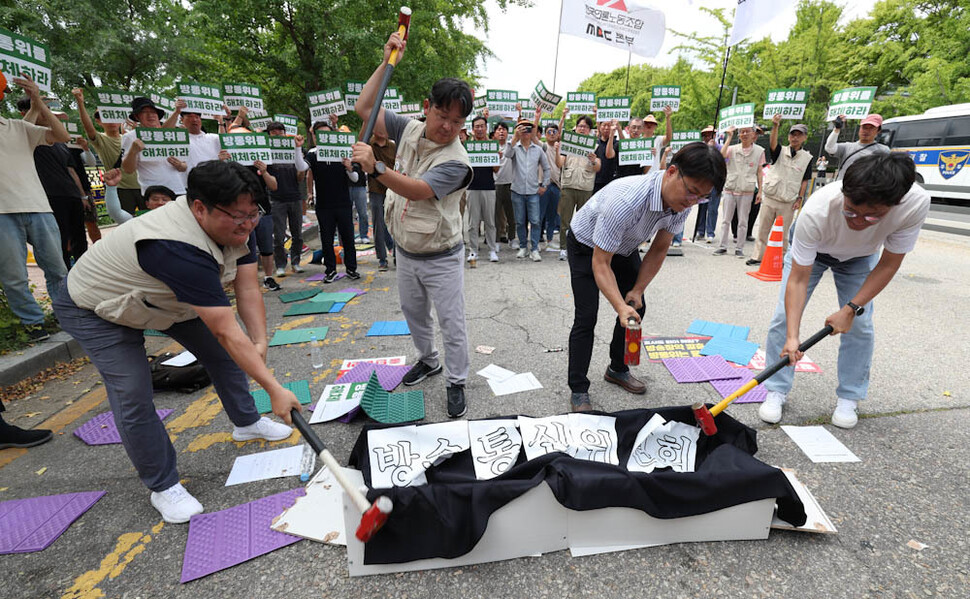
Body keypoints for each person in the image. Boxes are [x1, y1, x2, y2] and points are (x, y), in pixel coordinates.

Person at [53, 160, 302, 523]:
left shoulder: (234, 227)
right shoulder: (175, 247)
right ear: (199, 207)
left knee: (228, 355)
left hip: (161, 298)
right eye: (238, 215)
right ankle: (163, 484)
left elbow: (248, 288)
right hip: (95, 304)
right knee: (133, 393)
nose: (248, 224)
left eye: (254, 213)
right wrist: (273, 387)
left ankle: (246, 422)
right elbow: (224, 328)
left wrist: (259, 344)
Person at [351, 31, 474, 419]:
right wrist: (388, 59)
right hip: (405, 249)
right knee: (413, 313)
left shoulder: (458, 161)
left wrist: (377, 167)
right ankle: (429, 359)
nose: (448, 127)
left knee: (451, 321)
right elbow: (364, 107)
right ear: (427, 108)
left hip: (441, 255)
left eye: (457, 121)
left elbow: (419, 190)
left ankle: (457, 380)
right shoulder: (409, 128)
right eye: (443, 116)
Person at [758, 153, 929, 429]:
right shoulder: (818, 209)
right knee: (783, 319)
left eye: (872, 215)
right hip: (814, 254)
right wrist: (793, 337)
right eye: (850, 210)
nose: (858, 221)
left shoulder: (916, 203)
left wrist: (850, 309)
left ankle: (849, 397)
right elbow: (798, 279)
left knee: (859, 325)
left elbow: (888, 265)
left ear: (895, 203)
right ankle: (776, 389)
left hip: (861, 258)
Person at [565, 142, 726, 412]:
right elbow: (601, 263)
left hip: (625, 246)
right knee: (587, 315)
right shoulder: (626, 201)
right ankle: (578, 388)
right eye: (691, 192)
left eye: (701, 197)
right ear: (672, 171)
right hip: (586, 246)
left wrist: (637, 290)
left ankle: (617, 368)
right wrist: (618, 306)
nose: (692, 201)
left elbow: (659, 249)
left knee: (636, 306)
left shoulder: (682, 202)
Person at [0, 75, 70, 343]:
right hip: (2, 214)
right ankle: (33, 325)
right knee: (14, 276)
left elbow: (62, 135)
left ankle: (68, 316)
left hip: (39, 207)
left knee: (58, 270)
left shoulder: (17, 127)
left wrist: (37, 99)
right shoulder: (20, 125)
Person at [747, 115, 813, 266]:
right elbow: (772, 143)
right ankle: (757, 256)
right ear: (789, 136)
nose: (795, 138)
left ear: (804, 138)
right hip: (771, 196)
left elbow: (805, 180)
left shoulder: (807, 158)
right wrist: (775, 126)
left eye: (799, 135)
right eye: (792, 134)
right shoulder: (780, 151)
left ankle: (780, 258)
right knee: (763, 229)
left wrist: (800, 199)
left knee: (783, 234)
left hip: (788, 200)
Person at [306, 117, 361, 282]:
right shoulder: (313, 154)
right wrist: (296, 149)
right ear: (315, 137)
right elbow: (303, 168)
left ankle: (351, 268)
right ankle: (330, 270)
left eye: (327, 134)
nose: (324, 138)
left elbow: (356, 178)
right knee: (326, 239)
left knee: (348, 237)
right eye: (320, 135)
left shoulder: (343, 152)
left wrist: (349, 168)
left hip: (343, 203)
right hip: (323, 204)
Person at [265, 121, 310, 275]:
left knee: (297, 233)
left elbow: (300, 175)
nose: (278, 136)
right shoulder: (267, 153)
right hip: (276, 199)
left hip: (295, 196)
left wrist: (301, 166)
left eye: (280, 133)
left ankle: (296, 262)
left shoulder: (295, 150)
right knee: (278, 235)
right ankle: (280, 265)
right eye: (274, 134)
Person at [556, 112, 601, 261]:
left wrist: (594, 161)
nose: (582, 129)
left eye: (586, 126)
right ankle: (563, 248)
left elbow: (598, 167)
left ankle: (582, 248)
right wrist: (558, 150)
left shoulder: (594, 145)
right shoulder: (568, 143)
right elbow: (559, 163)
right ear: (576, 128)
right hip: (568, 185)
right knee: (565, 220)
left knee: (584, 222)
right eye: (580, 126)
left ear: (590, 130)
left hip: (585, 187)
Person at [714, 125, 764, 258]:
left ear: (754, 135)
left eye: (748, 132)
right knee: (726, 219)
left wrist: (760, 191)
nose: (745, 134)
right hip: (730, 188)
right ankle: (722, 246)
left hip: (747, 190)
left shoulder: (759, 151)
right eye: (742, 132)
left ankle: (739, 248)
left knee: (743, 221)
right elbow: (721, 155)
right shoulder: (732, 149)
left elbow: (760, 172)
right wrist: (729, 137)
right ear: (739, 135)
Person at [505, 117, 550, 262]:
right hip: (517, 190)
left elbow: (546, 167)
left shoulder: (538, 150)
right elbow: (506, 154)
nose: (525, 131)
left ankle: (535, 248)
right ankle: (523, 247)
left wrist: (544, 185)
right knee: (519, 221)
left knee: (535, 221)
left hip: (533, 191)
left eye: (528, 128)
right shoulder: (514, 147)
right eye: (522, 128)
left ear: (532, 132)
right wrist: (514, 137)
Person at [121, 97, 187, 196]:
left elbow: (184, 167)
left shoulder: (171, 137)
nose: (150, 115)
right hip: (155, 195)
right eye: (144, 112)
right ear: (137, 116)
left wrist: (180, 165)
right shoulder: (130, 137)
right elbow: (128, 170)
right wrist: (133, 151)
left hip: (179, 190)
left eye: (153, 112)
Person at [466, 114, 499, 265]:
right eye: (476, 126)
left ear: (486, 128)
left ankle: (492, 249)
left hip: (489, 187)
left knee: (490, 222)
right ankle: (473, 250)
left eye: (482, 126)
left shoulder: (492, 145)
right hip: (472, 187)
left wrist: (497, 156)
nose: (479, 129)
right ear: (472, 129)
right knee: (473, 223)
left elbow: (496, 169)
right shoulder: (468, 146)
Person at [825, 113, 889, 180]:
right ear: (860, 128)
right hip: (843, 188)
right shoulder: (847, 147)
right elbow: (829, 148)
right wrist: (837, 129)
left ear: (878, 131)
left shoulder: (884, 151)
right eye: (864, 127)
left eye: (871, 128)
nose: (866, 131)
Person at [368, 127, 397, 270]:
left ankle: (398, 254)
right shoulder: (368, 145)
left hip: (393, 188)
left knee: (396, 222)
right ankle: (382, 258)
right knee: (378, 223)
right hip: (376, 189)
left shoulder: (393, 146)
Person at [539, 119, 564, 250]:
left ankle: (549, 241)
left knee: (552, 215)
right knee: (539, 215)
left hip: (557, 185)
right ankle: (536, 242)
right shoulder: (542, 146)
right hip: (544, 185)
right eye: (549, 132)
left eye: (555, 132)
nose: (552, 134)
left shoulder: (561, 148)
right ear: (545, 134)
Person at [492, 121, 515, 245]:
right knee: (495, 215)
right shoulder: (490, 147)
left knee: (511, 215)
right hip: (495, 184)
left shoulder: (511, 146)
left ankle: (512, 238)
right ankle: (496, 240)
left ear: (507, 132)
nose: (501, 131)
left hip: (510, 184)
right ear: (494, 133)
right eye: (498, 129)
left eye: (504, 129)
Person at [592, 117, 618, 193]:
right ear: (599, 127)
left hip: (610, 182)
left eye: (609, 125)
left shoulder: (616, 143)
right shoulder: (594, 143)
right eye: (604, 125)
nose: (606, 128)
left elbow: (609, 155)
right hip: (595, 181)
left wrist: (612, 135)